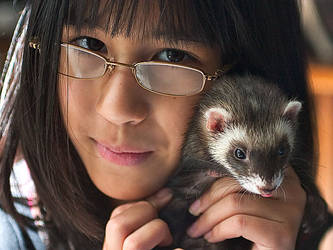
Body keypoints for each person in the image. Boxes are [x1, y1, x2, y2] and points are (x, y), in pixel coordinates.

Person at [0, 0, 328, 249]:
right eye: (87, 44)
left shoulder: (311, 228)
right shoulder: (10, 229)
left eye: (172, 56)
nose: (116, 109)